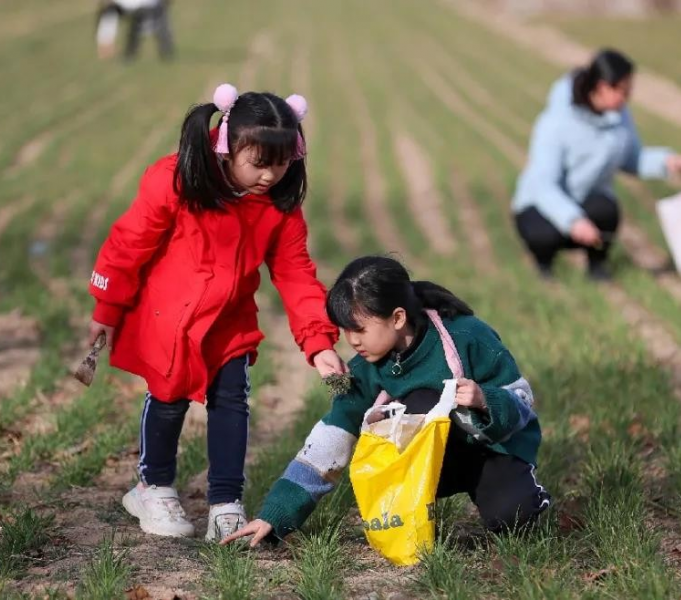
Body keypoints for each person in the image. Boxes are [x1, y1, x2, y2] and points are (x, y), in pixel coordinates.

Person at [87, 83, 346, 541]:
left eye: (283, 163)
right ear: (227, 148)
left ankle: (226, 501)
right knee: (167, 401)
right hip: (170, 320)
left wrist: (318, 341)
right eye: (259, 164)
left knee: (232, 402)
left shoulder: (279, 207)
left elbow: (296, 274)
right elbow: (131, 242)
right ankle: (153, 486)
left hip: (229, 323)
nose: (271, 175)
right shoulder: (176, 180)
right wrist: (107, 305)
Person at [221, 256, 551, 547]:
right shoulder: (366, 370)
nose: (352, 340)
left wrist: (485, 399)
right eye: (346, 330)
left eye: (359, 329)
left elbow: (522, 396)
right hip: (429, 464)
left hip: (489, 450)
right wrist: (274, 516)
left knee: (513, 518)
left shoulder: (466, 336)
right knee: (414, 406)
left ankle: (524, 494)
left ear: (397, 318)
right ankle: (418, 512)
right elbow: (331, 439)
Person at [512, 48, 681, 281]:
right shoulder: (556, 123)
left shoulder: (620, 116)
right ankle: (543, 265)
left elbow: (631, 159)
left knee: (607, 209)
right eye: (623, 90)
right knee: (542, 234)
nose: (628, 97)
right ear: (602, 86)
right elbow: (543, 185)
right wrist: (573, 220)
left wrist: (665, 162)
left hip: (586, 198)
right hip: (541, 204)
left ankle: (597, 268)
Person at [95, 0, 174, 61]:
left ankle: (108, 47)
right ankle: (107, 47)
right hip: (144, 6)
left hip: (144, 7)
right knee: (109, 11)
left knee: (109, 11)